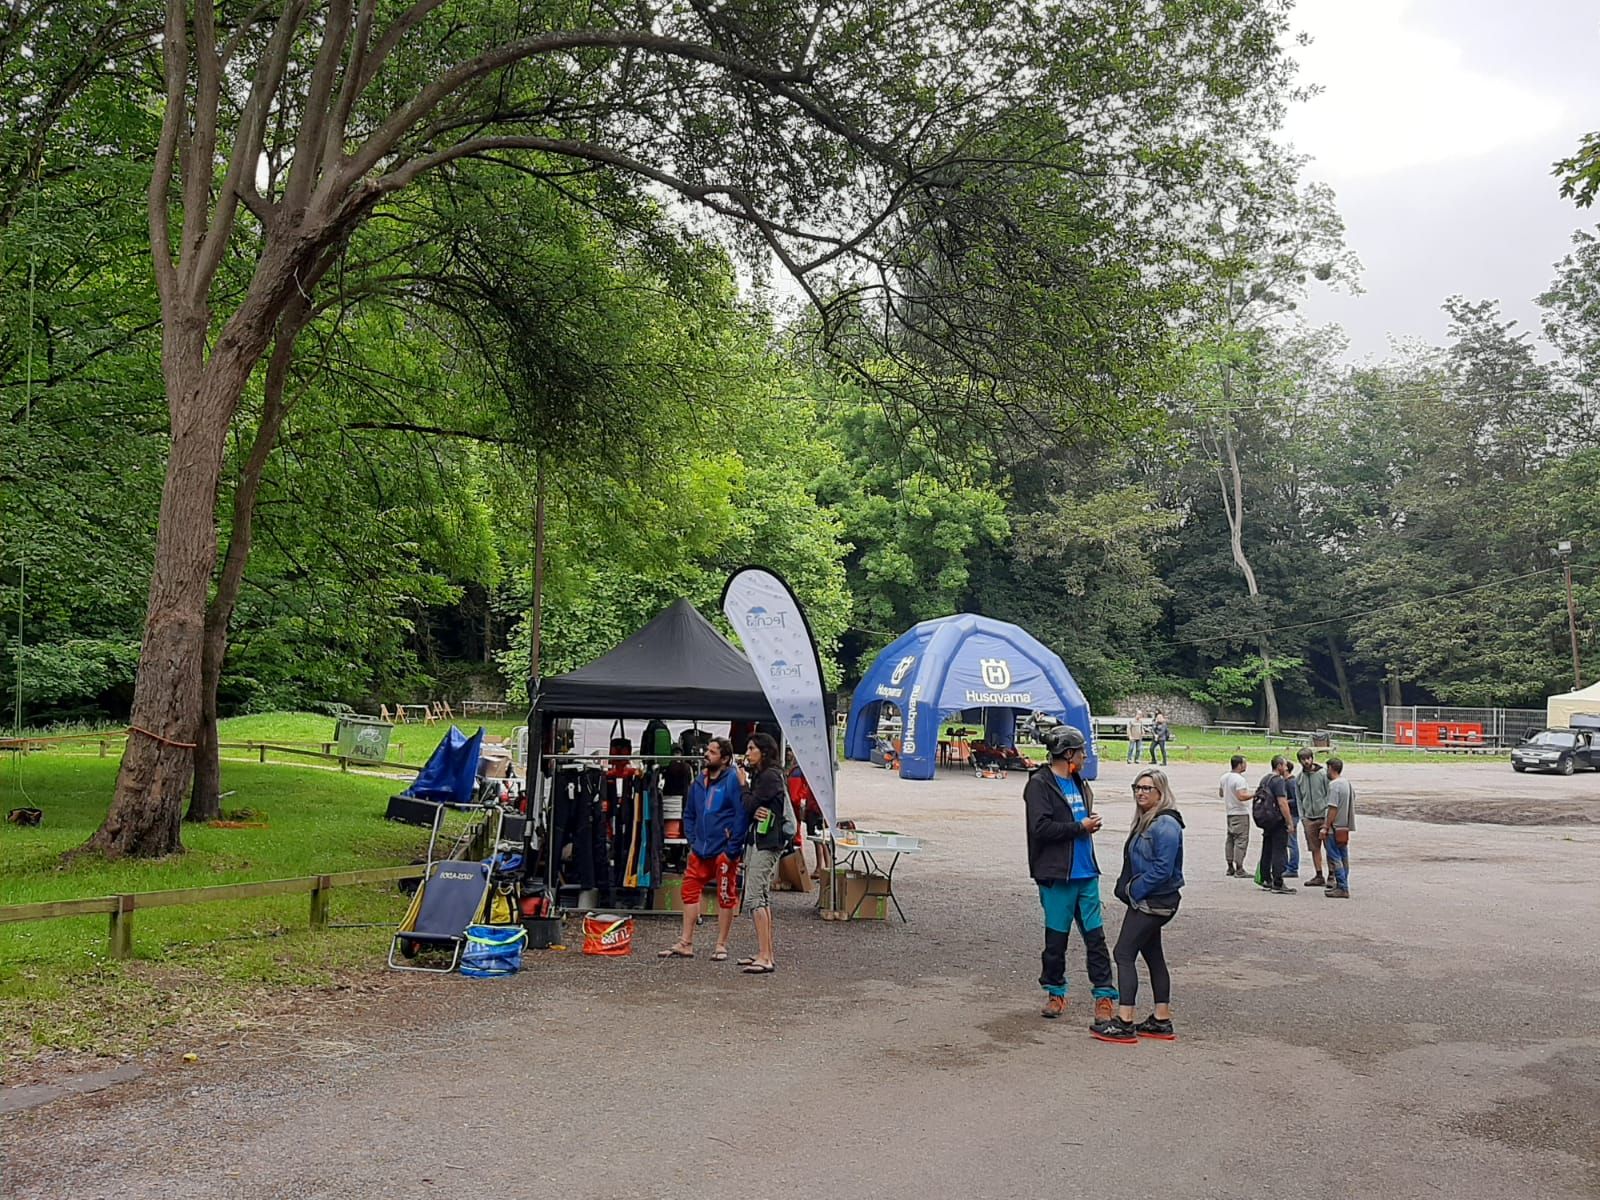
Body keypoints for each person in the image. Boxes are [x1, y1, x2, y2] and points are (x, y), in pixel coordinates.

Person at [1023, 724, 1118, 1024]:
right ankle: (1055, 992)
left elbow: (1075, 819)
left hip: (1086, 874)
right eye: (1081, 751)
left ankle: (1104, 997)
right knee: (1056, 941)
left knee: (1096, 940)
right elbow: (1040, 828)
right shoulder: (1039, 784)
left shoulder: (1078, 780)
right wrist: (1080, 827)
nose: (1086, 756)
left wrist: (1088, 823)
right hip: (1057, 877)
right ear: (1067, 754)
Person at [1094, 768, 1186, 1044]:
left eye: (1148, 788)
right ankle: (1161, 1019)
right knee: (1153, 954)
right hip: (1150, 900)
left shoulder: (1165, 825)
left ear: (1161, 793)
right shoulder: (1149, 820)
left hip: (1153, 901)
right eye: (1138, 787)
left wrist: (1135, 890)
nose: (1141, 793)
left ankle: (1124, 1020)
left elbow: (1163, 869)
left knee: (1123, 954)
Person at [660, 737, 745, 961]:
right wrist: (692, 839)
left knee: (726, 895)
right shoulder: (698, 781)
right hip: (700, 850)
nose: (706, 754)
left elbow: (741, 814)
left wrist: (732, 848)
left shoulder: (732, 781)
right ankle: (686, 942)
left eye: (712, 752)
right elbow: (689, 813)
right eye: (707, 750)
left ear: (725, 758)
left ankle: (721, 944)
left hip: (723, 851)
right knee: (689, 890)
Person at [738, 732, 787, 974]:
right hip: (762, 840)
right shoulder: (767, 776)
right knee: (762, 897)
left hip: (767, 842)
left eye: (751, 749)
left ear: (764, 752)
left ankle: (766, 957)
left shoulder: (769, 777)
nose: (747, 754)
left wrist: (743, 787)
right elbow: (754, 807)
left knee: (755, 897)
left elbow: (748, 805)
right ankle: (764, 951)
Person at [785, 748, 830, 879]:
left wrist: (800, 806)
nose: (788, 754)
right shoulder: (815, 770)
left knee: (816, 839)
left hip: (809, 807)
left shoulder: (797, 771)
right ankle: (826, 868)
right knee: (822, 839)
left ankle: (818, 868)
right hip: (817, 806)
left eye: (790, 751)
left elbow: (794, 796)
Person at [1254, 755, 1296, 894]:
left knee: (1267, 848)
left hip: (1266, 819)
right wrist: (1289, 822)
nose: (1286, 768)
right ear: (1279, 766)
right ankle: (1278, 881)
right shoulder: (1278, 781)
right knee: (1279, 849)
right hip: (1277, 820)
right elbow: (1282, 803)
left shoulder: (1265, 779)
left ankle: (1266, 879)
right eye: (1284, 765)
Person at [1295, 747, 1331, 888]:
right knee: (1314, 848)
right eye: (1303, 759)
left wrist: (1328, 816)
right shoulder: (1299, 778)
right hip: (1309, 818)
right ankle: (1319, 874)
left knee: (1329, 847)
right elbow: (1299, 799)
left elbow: (1329, 795)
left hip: (1323, 816)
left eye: (1308, 758)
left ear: (1312, 758)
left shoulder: (1323, 774)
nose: (1306, 761)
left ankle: (1332, 874)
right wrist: (1302, 817)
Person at [1322, 757, 1355, 898]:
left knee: (1335, 857)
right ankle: (1343, 883)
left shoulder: (1334, 785)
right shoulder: (1347, 783)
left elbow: (1332, 808)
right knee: (1343, 857)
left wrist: (1325, 826)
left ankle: (1342, 886)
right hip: (1344, 827)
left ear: (1331, 768)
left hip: (1334, 828)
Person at [1219, 754, 1252, 876]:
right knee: (1241, 840)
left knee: (1230, 839)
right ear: (1239, 765)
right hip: (1240, 812)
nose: (1246, 765)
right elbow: (1241, 796)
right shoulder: (1239, 779)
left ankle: (1229, 866)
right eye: (1244, 763)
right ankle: (1239, 867)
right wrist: (1255, 794)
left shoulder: (1224, 777)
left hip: (1230, 812)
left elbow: (1221, 793)